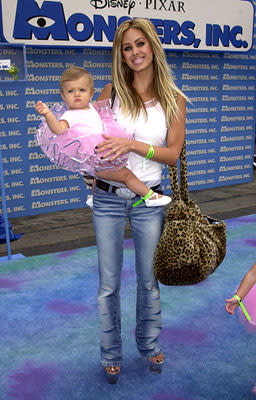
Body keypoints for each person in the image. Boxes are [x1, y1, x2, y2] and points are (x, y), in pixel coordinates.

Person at [92, 18, 187, 384]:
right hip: (107, 198)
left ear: (153, 46)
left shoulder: (174, 99)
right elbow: (90, 143)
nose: (134, 53)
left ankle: (149, 344)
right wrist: (91, 164)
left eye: (139, 44)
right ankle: (110, 353)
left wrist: (131, 145)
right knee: (108, 284)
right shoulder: (110, 92)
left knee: (149, 281)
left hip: (150, 199)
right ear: (120, 54)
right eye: (126, 47)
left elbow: (171, 154)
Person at [35, 67, 171, 209]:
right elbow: (58, 129)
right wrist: (48, 114)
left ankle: (94, 197)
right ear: (63, 96)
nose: (76, 94)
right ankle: (150, 196)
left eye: (82, 90)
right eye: (70, 91)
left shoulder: (92, 108)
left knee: (100, 175)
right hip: (93, 153)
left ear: (91, 94)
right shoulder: (69, 115)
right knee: (125, 175)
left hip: (101, 150)